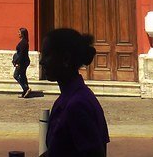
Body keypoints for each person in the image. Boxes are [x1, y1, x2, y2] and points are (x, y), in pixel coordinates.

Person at [40, 28, 109, 157]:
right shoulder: (69, 99)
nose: (42, 61)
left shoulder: (77, 106)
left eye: (47, 55)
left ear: (65, 59)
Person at [13, 27, 31, 97]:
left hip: (22, 62)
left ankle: (26, 88)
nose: (18, 34)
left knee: (16, 75)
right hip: (24, 61)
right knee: (23, 76)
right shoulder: (24, 41)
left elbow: (21, 54)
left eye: (19, 33)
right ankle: (25, 92)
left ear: (22, 34)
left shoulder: (23, 43)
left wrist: (17, 63)